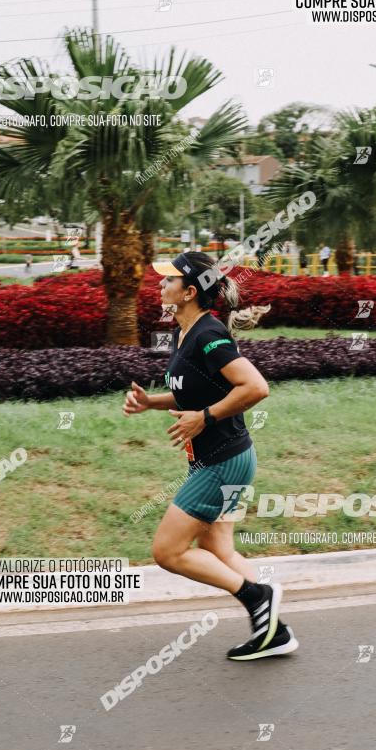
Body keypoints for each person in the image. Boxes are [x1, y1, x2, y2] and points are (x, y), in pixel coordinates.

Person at [122, 251, 298, 661]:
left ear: (188, 291)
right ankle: (274, 631)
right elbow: (198, 391)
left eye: (169, 281)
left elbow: (255, 387)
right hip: (228, 456)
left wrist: (205, 418)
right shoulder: (188, 332)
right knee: (220, 552)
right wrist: (152, 403)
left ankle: (259, 596)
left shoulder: (207, 334)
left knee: (168, 551)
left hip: (221, 460)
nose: (161, 285)